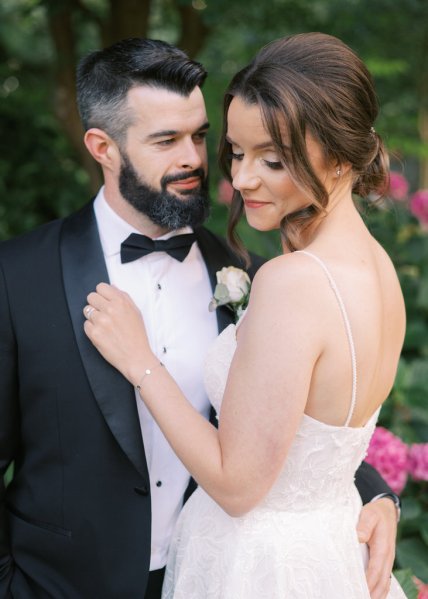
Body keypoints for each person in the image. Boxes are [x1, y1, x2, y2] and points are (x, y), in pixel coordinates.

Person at [0, 36, 397, 599]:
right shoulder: (17, 280)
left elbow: (303, 423)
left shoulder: (258, 273)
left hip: (223, 575)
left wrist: (377, 493)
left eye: (200, 136)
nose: (195, 160)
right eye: (166, 140)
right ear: (102, 146)